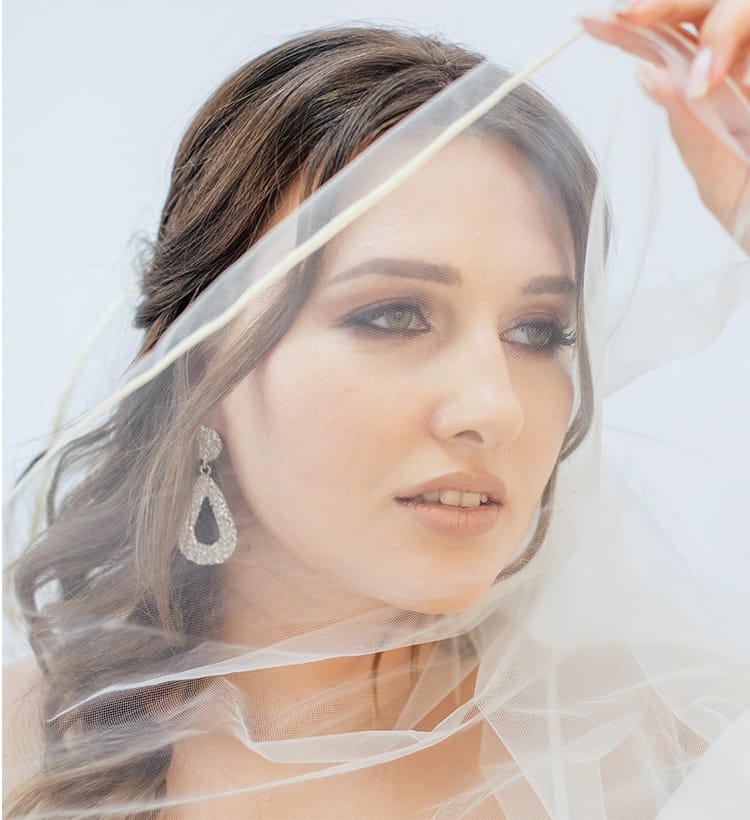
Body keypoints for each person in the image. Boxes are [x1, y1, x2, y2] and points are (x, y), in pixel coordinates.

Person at [4, 2, 750, 817]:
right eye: (394, 315)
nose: (495, 406)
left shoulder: (675, 750)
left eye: (539, 331)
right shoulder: (19, 750)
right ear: (201, 364)